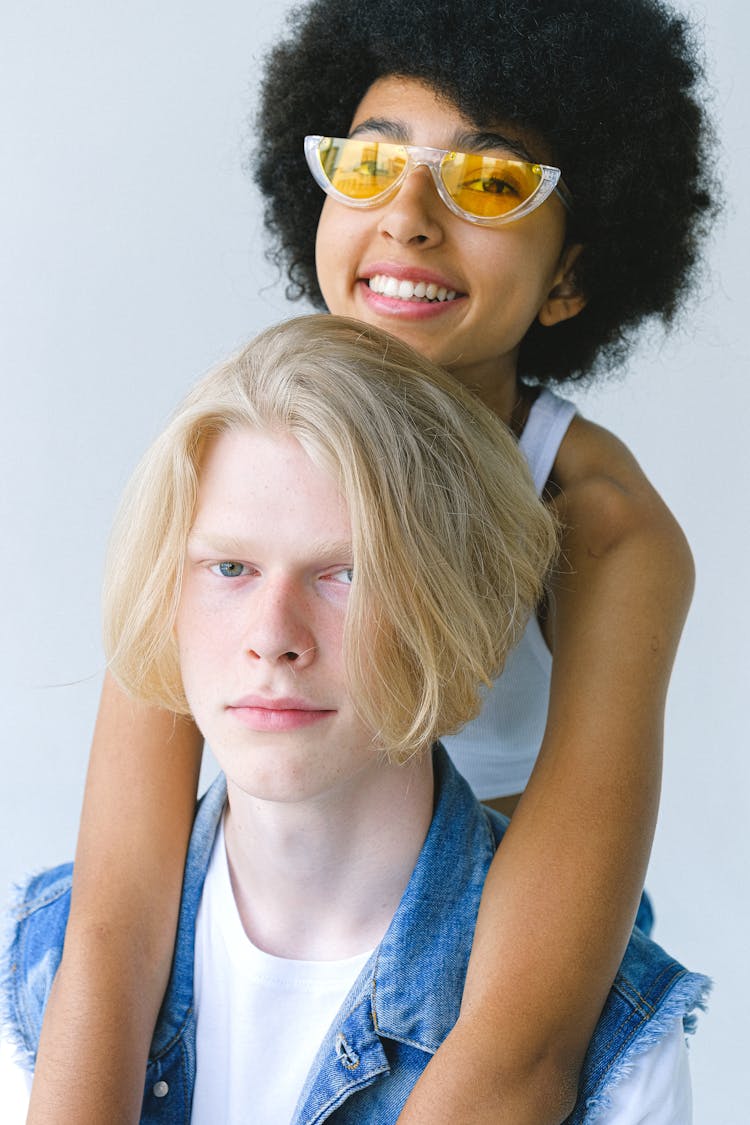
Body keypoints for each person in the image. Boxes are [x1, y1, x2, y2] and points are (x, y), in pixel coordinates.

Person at [26, 2, 717, 1122]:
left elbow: (523, 1046)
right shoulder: (238, 445)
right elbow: (112, 915)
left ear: (572, 277)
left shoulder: (604, 527)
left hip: (487, 937)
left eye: (488, 182)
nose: (407, 217)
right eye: (370, 162)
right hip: (277, 910)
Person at [2, 316, 708, 1123]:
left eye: (344, 573)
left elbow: (526, 1057)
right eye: (230, 568)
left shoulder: (621, 1047)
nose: (272, 638)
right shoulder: (33, 975)